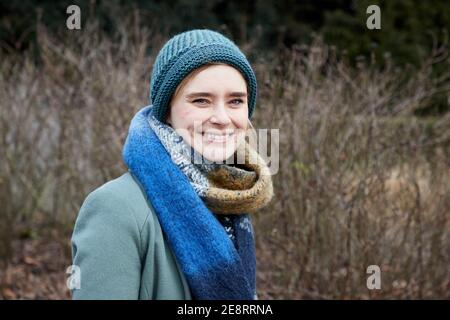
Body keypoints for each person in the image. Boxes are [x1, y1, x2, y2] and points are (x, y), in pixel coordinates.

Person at [71, 29, 274, 300]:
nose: (222, 118)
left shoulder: (231, 202)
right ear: (167, 110)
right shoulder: (114, 209)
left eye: (236, 101)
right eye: (201, 100)